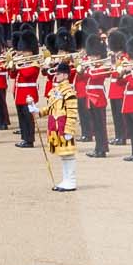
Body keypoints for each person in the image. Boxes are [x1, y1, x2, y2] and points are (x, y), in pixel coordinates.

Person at [43, 59, 80, 191]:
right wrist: (37, 111)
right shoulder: (55, 90)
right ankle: (66, 180)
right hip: (56, 126)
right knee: (63, 156)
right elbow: (50, 108)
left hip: (64, 127)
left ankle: (71, 181)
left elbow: (72, 112)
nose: (56, 76)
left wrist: (69, 130)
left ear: (64, 75)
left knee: (68, 155)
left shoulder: (68, 91)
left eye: (58, 74)